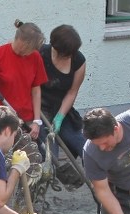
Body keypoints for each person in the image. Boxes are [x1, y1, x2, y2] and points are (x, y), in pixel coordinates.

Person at [0, 21, 47, 138]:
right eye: (31, 48)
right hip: (0, 120)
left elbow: (36, 90)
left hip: (26, 120)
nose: (33, 52)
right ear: (23, 43)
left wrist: (36, 121)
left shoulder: (35, 57)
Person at [39, 25, 87, 160]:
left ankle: (95, 172)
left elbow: (72, 92)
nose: (71, 56)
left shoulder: (78, 61)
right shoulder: (41, 54)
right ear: (56, 49)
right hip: (39, 110)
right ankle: (51, 172)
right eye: (68, 54)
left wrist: (60, 117)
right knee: (50, 156)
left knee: (84, 146)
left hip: (62, 110)